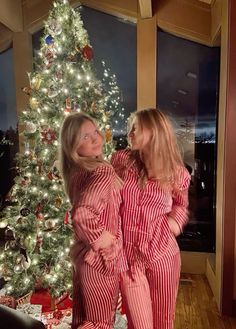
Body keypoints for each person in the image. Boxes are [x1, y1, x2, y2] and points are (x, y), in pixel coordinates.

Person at [111, 108, 191, 329]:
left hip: (163, 256)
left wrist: (172, 224)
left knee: (163, 321)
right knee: (138, 323)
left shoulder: (176, 172)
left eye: (136, 128)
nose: (130, 133)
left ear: (154, 131)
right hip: (130, 261)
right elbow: (107, 197)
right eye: (130, 128)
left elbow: (181, 206)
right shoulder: (121, 161)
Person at [59, 112, 127, 329]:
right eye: (85, 137)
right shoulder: (102, 171)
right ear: (72, 146)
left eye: (95, 132)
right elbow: (83, 214)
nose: (96, 138)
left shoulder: (77, 170)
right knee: (100, 323)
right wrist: (104, 239)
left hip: (83, 257)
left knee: (82, 318)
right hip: (99, 260)